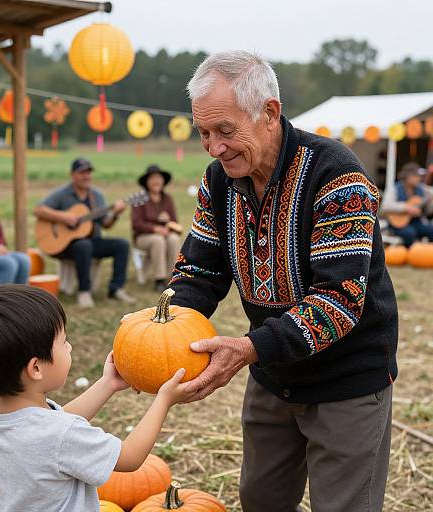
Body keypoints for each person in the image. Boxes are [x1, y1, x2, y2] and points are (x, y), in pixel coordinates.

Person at [168, 51, 398, 512]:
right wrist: (161, 323)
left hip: (347, 381)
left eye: (225, 131)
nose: (214, 148)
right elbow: (199, 271)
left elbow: (337, 302)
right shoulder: (220, 180)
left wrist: (249, 348)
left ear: (269, 113)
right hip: (274, 376)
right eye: (204, 134)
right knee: (261, 500)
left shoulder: (336, 174)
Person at [0, 284, 191, 512]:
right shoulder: (60, 435)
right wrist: (163, 400)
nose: (70, 347)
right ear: (36, 369)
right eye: (63, 342)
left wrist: (107, 384)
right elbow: (129, 457)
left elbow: (53, 427)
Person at [34, 158, 135, 307]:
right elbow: (38, 210)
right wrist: (64, 217)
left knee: (122, 245)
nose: (86, 176)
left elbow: (105, 224)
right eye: (82, 172)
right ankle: (84, 291)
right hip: (65, 246)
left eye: (88, 172)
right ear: (72, 174)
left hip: (92, 241)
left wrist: (115, 214)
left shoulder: (96, 196)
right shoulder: (63, 193)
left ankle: (116, 288)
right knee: (83, 245)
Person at [132, 165, 182, 292]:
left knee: (174, 239)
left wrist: (168, 221)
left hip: (165, 233)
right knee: (157, 240)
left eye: (159, 178)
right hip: (143, 237)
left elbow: (174, 222)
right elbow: (136, 223)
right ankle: (159, 279)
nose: (156, 181)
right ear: (146, 182)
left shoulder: (167, 199)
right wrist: (155, 228)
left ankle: (173, 277)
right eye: (153, 178)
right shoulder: (139, 199)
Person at [381, 162, 433, 247]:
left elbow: (427, 210)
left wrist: (429, 204)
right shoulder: (395, 189)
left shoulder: (422, 189)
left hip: (416, 222)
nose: (419, 179)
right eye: (416, 176)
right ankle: (414, 254)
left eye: (420, 177)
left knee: (430, 230)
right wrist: (406, 208)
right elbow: (385, 206)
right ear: (408, 176)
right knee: (410, 233)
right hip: (397, 224)